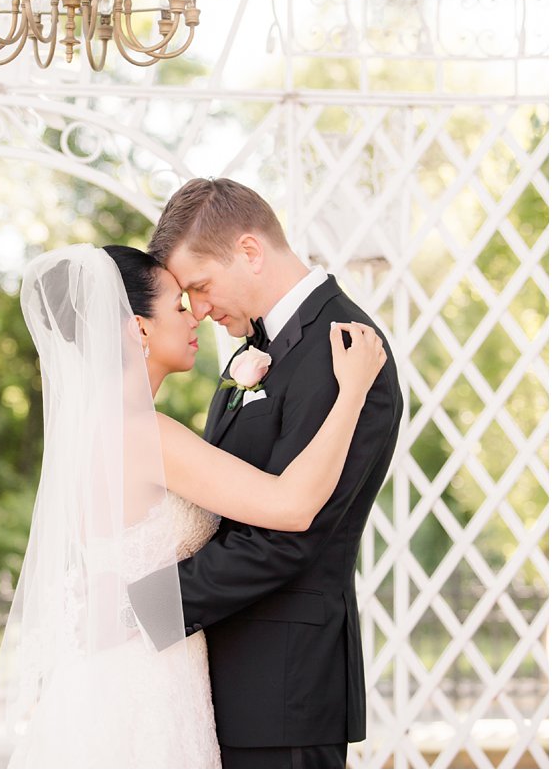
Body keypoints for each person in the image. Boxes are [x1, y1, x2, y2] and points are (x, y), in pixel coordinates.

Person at [0, 233, 391, 768]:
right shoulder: (143, 433)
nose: (195, 315)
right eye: (180, 304)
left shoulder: (98, 429)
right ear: (139, 329)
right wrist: (352, 393)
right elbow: (291, 507)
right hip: (145, 680)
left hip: (128, 669)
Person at [143, 179, 404, 769]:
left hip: (284, 686)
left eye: (202, 287)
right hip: (222, 678)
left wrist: (146, 608)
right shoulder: (261, 345)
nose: (200, 310)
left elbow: (290, 536)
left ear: (250, 251)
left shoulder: (343, 350)